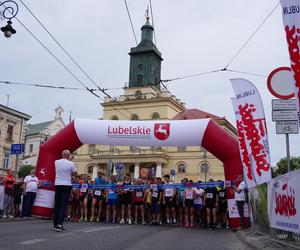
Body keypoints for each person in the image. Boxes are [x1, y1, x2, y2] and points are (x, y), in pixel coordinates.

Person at [53, 150, 77, 232]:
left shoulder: (56, 162)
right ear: (69, 155)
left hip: (58, 184)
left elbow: (63, 165)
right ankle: (60, 224)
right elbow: (75, 174)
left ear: (62, 154)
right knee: (63, 206)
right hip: (66, 185)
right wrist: (73, 176)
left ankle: (55, 224)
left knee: (57, 205)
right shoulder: (71, 164)